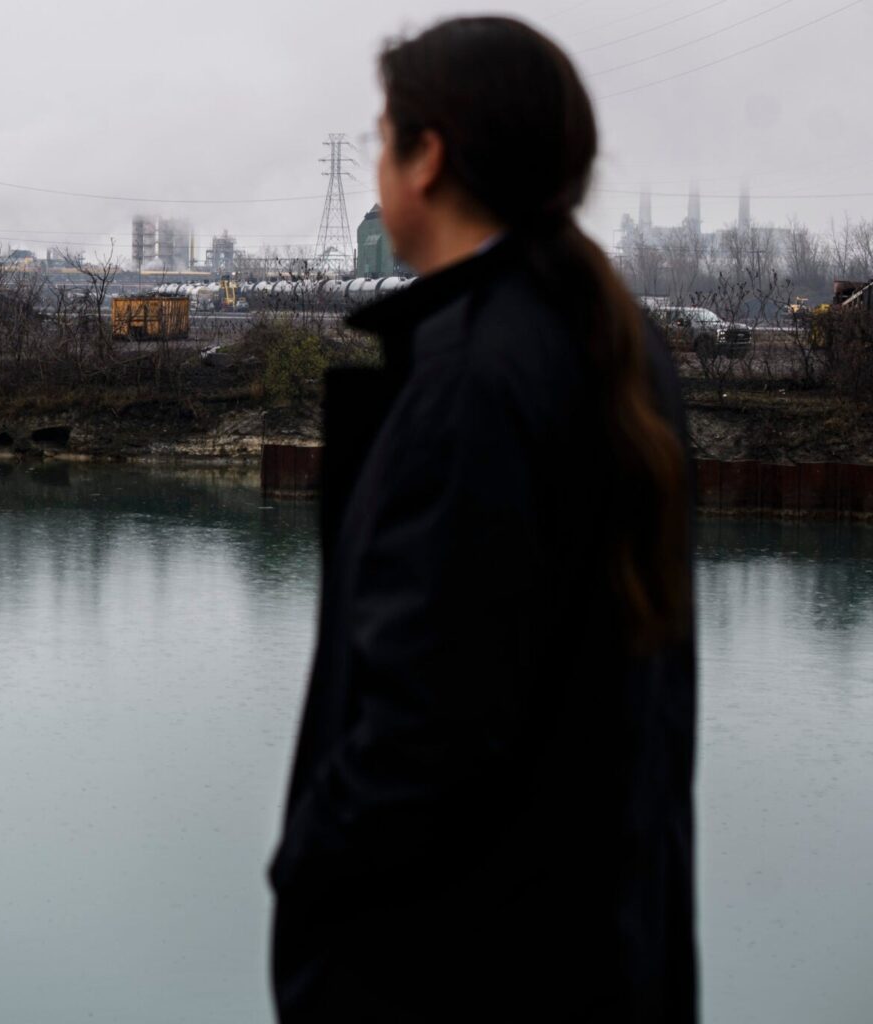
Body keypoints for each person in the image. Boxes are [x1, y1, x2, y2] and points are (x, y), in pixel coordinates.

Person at [268, 17, 696, 1022]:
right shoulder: (613, 340)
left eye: (384, 138)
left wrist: (311, 873)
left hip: (462, 970)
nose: (378, 162)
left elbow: (427, 725)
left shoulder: (473, 379)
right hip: (596, 949)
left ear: (428, 159)